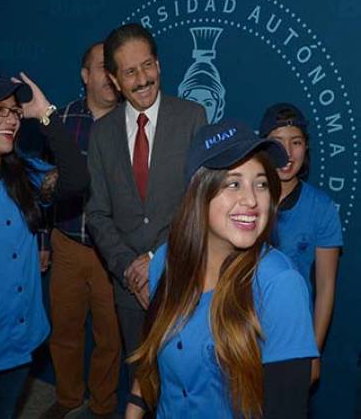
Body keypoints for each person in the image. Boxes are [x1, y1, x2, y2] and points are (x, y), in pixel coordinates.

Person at [127, 120, 319, 419]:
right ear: (198, 192)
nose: (252, 200)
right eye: (233, 184)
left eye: (261, 183)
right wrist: (133, 410)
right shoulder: (165, 261)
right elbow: (152, 354)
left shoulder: (280, 285)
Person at [0, 69, 89, 419]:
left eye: (13, 111)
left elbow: (77, 179)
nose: (11, 120)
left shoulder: (25, 174)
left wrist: (45, 114)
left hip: (20, 339)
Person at [85, 23, 206, 386]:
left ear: (159, 64)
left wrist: (155, 260)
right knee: (140, 381)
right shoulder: (102, 134)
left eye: (148, 65)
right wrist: (128, 269)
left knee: (185, 381)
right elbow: (97, 213)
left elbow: (200, 202)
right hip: (128, 289)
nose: (142, 79)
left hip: (180, 276)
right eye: (130, 72)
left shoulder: (192, 117)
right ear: (114, 79)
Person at [42, 42, 121, 419]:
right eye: (103, 68)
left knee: (111, 336)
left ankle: (103, 408)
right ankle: (69, 399)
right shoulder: (61, 121)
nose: (110, 76)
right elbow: (41, 184)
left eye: (115, 68)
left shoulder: (133, 123)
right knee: (65, 330)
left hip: (112, 252)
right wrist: (43, 239)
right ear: (85, 75)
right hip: (68, 242)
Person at [259, 102, 343, 385]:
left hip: (294, 341)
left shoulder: (322, 208)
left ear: (305, 148)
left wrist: (313, 352)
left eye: (296, 142)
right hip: (242, 336)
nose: (287, 152)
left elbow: (326, 287)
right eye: (278, 143)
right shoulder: (245, 200)